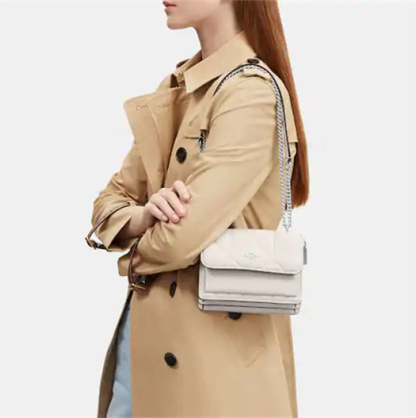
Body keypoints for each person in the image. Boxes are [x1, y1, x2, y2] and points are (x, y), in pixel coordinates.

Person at [87, 0, 309, 417]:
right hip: (141, 353)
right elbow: (108, 203)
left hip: (211, 370)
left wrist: (132, 250)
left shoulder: (252, 94)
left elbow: (178, 241)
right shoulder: (180, 87)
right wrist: (143, 216)